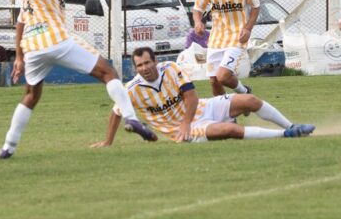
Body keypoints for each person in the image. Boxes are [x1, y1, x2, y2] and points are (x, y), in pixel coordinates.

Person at [0, 0, 156, 159]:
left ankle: (8, 147)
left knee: (31, 96)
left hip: (33, 48)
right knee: (108, 72)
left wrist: (19, 57)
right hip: (56, 41)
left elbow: (21, 22)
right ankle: (131, 119)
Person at [91, 47, 314, 147]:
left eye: (148, 62)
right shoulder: (131, 89)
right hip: (183, 131)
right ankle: (286, 135)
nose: (145, 68)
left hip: (201, 109)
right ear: (135, 68)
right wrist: (108, 141)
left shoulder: (170, 68)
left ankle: (291, 125)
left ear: (155, 61)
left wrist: (187, 122)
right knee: (230, 130)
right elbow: (116, 112)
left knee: (250, 100)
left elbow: (191, 95)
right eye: (139, 65)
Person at [193, 0, 259, 96]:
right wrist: (198, 22)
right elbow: (197, 9)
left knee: (222, 76)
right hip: (216, 37)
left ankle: (244, 92)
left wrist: (248, 28)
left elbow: (255, 7)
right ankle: (225, 110)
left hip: (237, 35)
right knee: (214, 81)